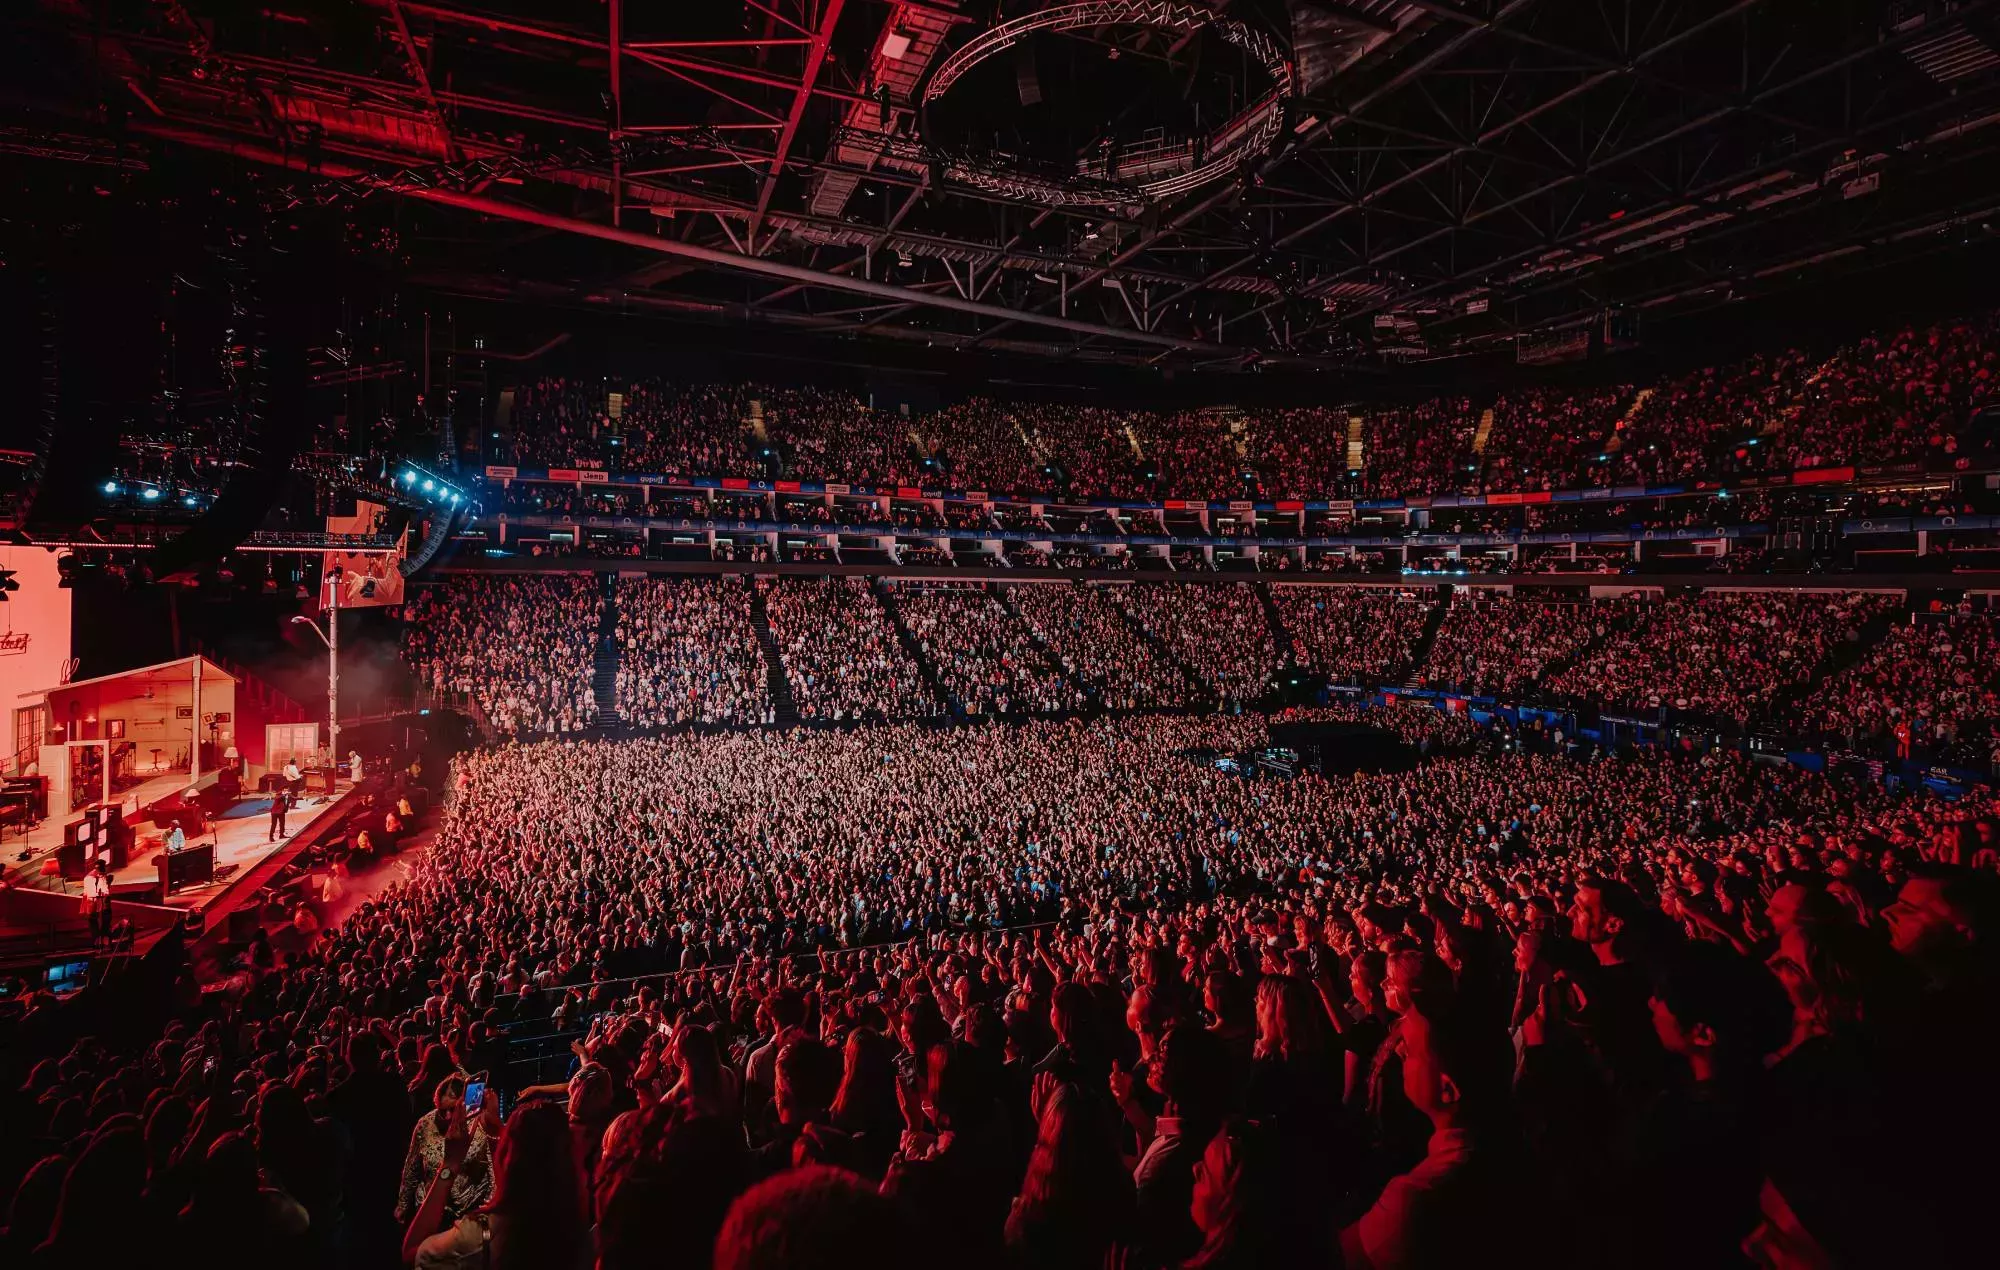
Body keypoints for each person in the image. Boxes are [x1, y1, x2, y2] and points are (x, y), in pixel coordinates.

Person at [83, 858, 113, 946]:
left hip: (102, 904)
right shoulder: (91, 877)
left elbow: (105, 891)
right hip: (94, 904)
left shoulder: (101, 875)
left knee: (105, 922)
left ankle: (102, 941)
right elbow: (93, 893)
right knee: (96, 923)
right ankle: (97, 942)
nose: (104, 871)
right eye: (102, 868)